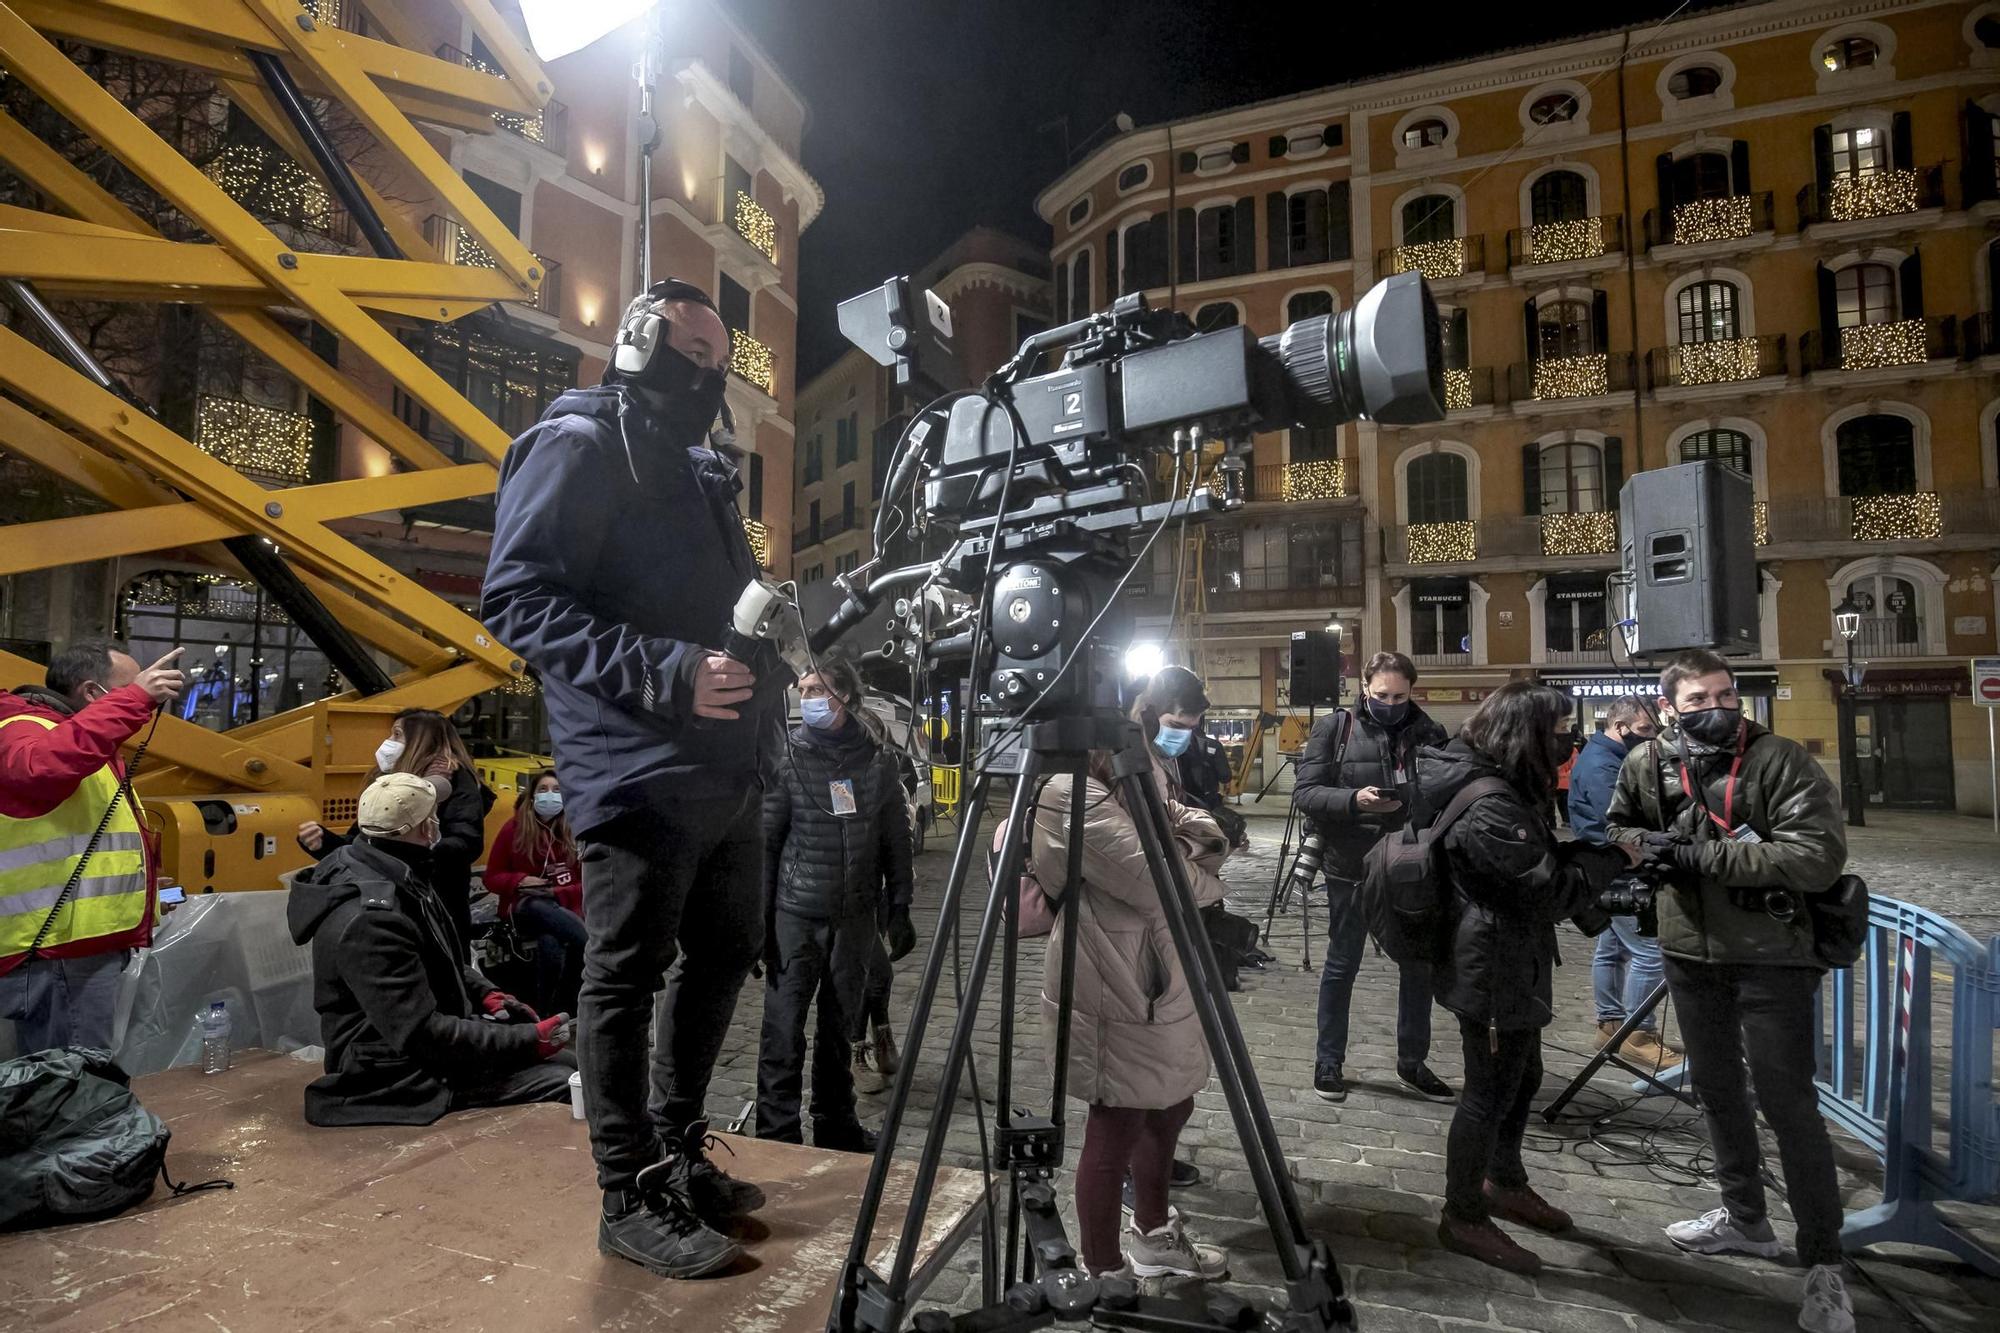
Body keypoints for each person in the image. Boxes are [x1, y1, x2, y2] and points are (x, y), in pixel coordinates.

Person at [482, 278, 782, 1280]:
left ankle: (674, 1148)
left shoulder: (697, 468)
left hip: (724, 765)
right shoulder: (573, 442)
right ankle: (626, 1191)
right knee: (625, 973)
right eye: (688, 350)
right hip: (635, 766)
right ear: (640, 343)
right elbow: (518, 600)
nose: (705, 372)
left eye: (718, 358)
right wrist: (667, 671)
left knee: (726, 952)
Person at [1606, 651, 1853, 1333]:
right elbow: (1617, 821)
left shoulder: (1780, 761)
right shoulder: (1647, 762)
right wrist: (1642, 846)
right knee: (1716, 1090)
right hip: (1689, 952)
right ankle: (1746, 1218)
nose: (1714, 707)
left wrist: (1698, 856)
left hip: (1772, 955)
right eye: (1696, 700)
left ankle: (1825, 1261)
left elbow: (1815, 855)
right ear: (1669, 708)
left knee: (1788, 1103)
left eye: (1723, 694)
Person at [1423, 682, 1628, 1275]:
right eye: (1561, 728)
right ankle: (1462, 1214)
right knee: (1487, 1092)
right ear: (1529, 733)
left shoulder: (1510, 785)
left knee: (1524, 1075)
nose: (1569, 738)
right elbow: (1543, 889)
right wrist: (1615, 860)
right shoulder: (1488, 801)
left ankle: (1503, 1180)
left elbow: (1536, 865)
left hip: (1512, 955)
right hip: (1489, 964)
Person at [1032, 739, 1230, 1282]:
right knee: (1117, 1121)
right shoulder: (1068, 790)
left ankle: (1153, 1236)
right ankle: (1104, 1271)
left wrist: (1185, 851)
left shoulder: (1137, 774)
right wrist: (1198, 867)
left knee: (1170, 1105)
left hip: (1160, 969)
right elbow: (1155, 883)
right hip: (1112, 979)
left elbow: (1201, 824)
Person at [287, 772, 574, 1127]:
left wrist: (487, 993)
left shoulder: (397, 874)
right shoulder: (372, 918)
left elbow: (437, 957)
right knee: (566, 1081)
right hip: (393, 1074)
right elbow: (421, 1033)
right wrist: (526, 1040)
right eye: (433, 816)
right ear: (425, 829)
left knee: (570, 1065)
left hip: (417, 1052)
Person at [755, 660, 915, 1150]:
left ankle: (835, 1123)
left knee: (838, 1030)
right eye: (803, 690)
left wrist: (900, 907)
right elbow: (767, 843)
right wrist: (759, 923)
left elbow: (896, 841)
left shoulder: (879, 763)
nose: (808, 699)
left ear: (846, 697)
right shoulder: (789, 758)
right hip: (795, 917)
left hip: (855, 920)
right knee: (783, 1032)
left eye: (818, 689)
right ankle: (777, 1133)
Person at [0, 641, 183, 1053]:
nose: (145, 702)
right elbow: (39, 771)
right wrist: (136, 700)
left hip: (75, 945)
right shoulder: (23, 727)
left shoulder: (84, 743)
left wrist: (148, 890)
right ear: (91, 693)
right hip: (57, 948)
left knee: (70, 1081)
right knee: (74, 1085)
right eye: (129, 686)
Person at [1291, 650, 1453, 1104]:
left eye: (1400, 695)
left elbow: (1444, 793)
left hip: (1409, 866)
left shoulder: (1428, 731)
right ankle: (1329, 1060)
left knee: (1417, 968)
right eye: (1382, 694)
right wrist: (1353, 800)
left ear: (1412, 692)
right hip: (1352, 866)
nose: (1391, 702)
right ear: (1364, 688)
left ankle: (1412, 1062)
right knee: (1342, 965)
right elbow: (1306, 793)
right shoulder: (1335, 728)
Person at [298, 708, 491, 964]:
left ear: (420, 740)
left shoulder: (456, 783)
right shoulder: (387, 785)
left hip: (435, 908)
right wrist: (323, 842)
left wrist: (417, 854)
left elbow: (466, 843)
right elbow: (360, 843)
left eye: (397, 734)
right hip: (388, 903)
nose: (389, 742)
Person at [1569, 698, 1678, 1070]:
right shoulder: (1603, 764)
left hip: (1614, 866)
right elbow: (1617, 818)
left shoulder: (1610, 756)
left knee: (1612, 949)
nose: (1651, 737)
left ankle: (1612, 1023)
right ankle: (1637, 1034)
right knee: (1649, 952)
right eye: (1645, 730)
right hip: (1618, 866)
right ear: (1620, 726)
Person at [483, 769, 586, 1016]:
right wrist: (519, 881)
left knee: (551, 941)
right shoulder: (513, 829)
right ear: (531, 797)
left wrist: (557, 892)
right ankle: (593, 947)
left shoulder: (575, 830)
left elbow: (588, 883)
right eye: (543, 790)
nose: (549, 796)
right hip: (524, 907)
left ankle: (548, 1013)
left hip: (564, 909)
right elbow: (491, 877)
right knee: (536, 905)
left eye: (557, 791)